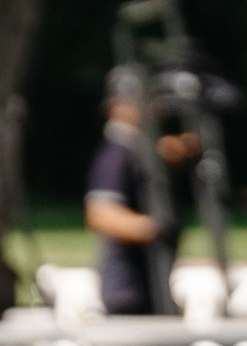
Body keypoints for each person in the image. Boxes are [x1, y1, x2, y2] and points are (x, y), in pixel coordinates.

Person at [83, 63, 201, 318]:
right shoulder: (116, 155)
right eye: (144, 101)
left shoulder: (137, 150)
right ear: (119, 106)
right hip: (127, 289)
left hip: (148, 286)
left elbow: (160, 153)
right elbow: (100, 213)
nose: (154, 108)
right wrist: (153, 227)